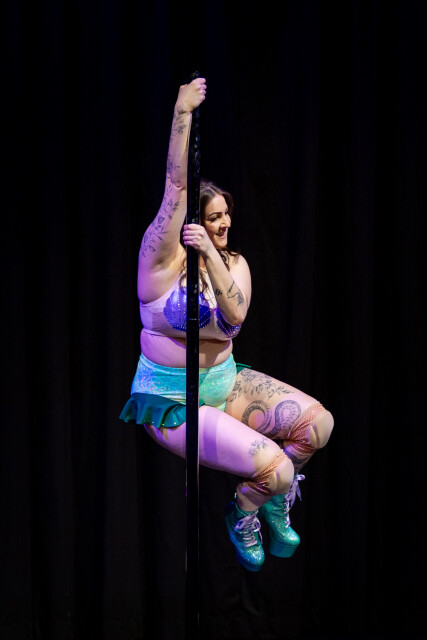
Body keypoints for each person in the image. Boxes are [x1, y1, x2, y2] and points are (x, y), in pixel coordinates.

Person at [120, 78, 334, 571]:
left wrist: (212, 255)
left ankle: (265, 502)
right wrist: (182, 113)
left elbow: (234, 318)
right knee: (276, 469)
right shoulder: (158, 266)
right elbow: (176, 188)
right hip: (172, 399)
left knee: (317, 426)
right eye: (214, 217)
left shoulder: (234, 264)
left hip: (225, 381)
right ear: (191, 221)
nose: (225, 224)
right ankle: (243, 513)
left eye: (226, 216)